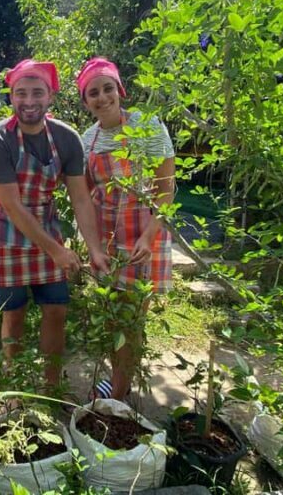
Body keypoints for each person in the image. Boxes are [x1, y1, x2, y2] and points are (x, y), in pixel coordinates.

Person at [0, 59, 110, 386]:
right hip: (5, 233)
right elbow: (11, 204)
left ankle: (52, 386)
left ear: (50, 96)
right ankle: (15, 384)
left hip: (45, 225)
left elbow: (81, 198)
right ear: (11, 97)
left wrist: (95, 249)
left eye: (37, 92)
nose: (29, 101)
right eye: (20, 93)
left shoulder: (66, 138)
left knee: (56, 309)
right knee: (15, 313)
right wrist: (57, 251)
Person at [77, 57, 175, 401]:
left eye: (107, 88)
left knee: (131, 320)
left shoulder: (148, 126)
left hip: (143, 237)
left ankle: (118, 394)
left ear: (120, 90)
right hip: (107, 239)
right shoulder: (87, 139)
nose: (102, 97)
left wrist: (150, 236)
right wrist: (93, 246)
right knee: (112, 316)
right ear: (85, 101)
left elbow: (166, 189)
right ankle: (119, 380)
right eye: (93, 93)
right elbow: (86, 198)